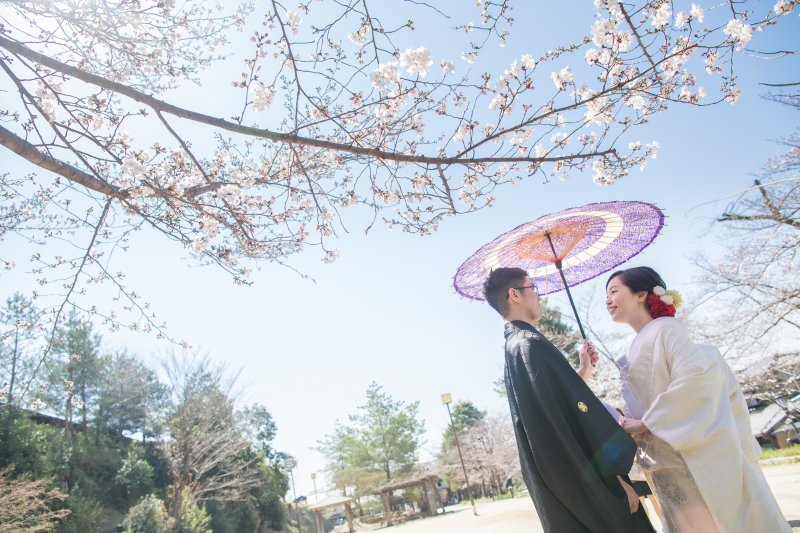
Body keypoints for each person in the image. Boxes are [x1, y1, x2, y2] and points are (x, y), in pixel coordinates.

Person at [606, 266, 792, 533]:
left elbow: (696, 382)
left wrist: (647, 422)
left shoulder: (666, 332)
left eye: (614, 291)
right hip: (664, 459)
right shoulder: (642, 343)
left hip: (687, 456)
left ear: (641, 294)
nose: (608, 300)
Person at [483, 267, 654, 533]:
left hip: (565, 485)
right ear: (515, 294)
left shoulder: (516, 347)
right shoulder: (529, 345)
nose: (539, 296)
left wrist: (583, 371)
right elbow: (575, 422)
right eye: (533, 289)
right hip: (595, 485)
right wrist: (618, 482)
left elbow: (557, 407)